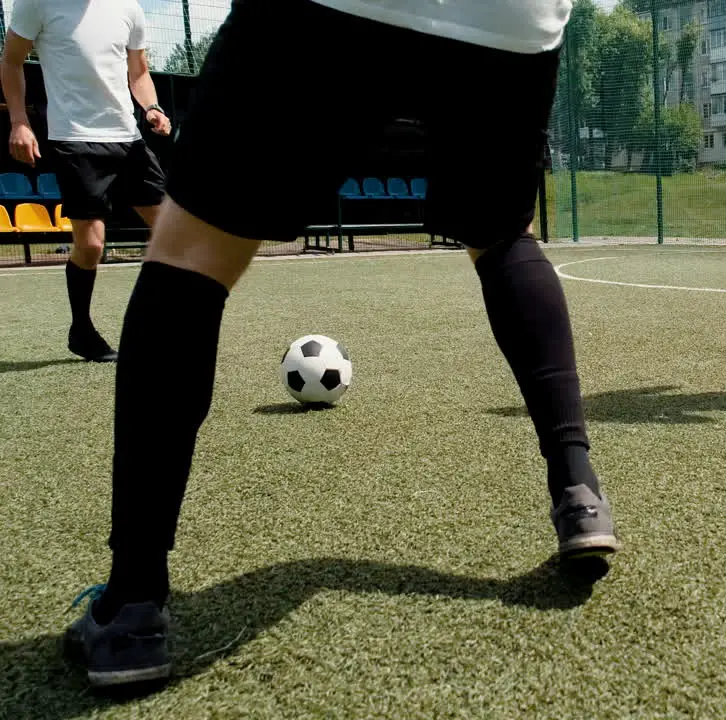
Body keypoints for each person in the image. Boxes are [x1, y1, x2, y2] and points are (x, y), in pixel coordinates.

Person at [59, 0, 617, 689]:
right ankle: (578, 490)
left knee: (191, 251)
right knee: (504, 236)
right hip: (510, 19)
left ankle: (131, 606)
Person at [1, 0, 172, 363]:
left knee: (171, 233)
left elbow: (138, 73)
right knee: (91, 246)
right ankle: (81, 331)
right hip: (74, 138)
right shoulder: (37, 3)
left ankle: (163, 322)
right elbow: (11, 60)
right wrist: (19, 121)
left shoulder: (129, 7)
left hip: (129, 139)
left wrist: (152, 108)